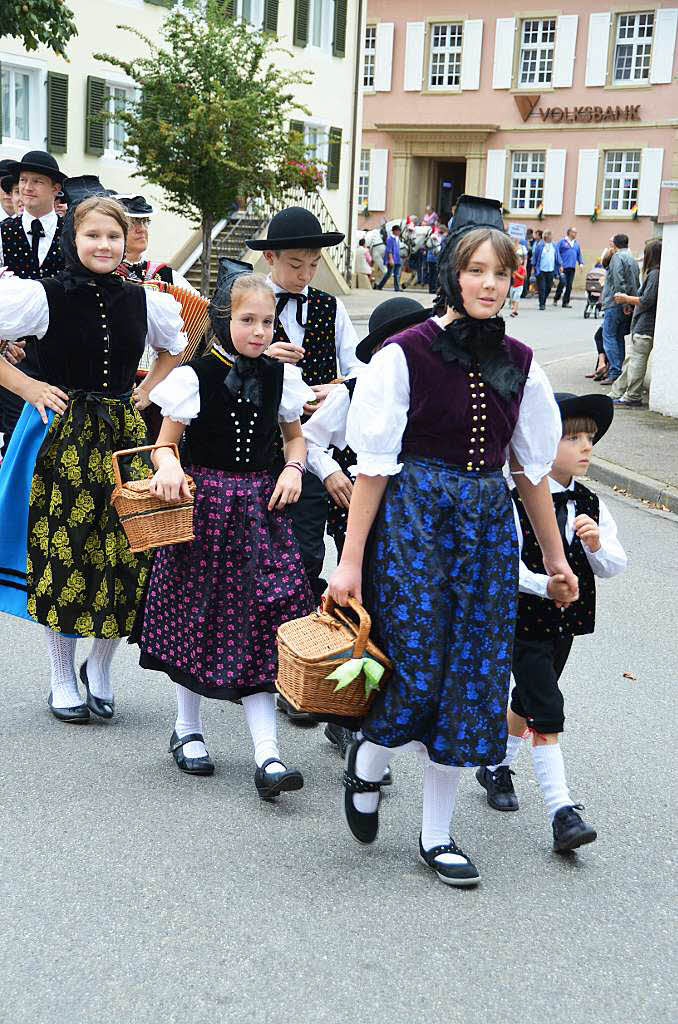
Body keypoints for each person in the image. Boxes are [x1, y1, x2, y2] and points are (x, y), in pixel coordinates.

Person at [329, 195, 576, 887]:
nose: (489, 284)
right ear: (452, 275)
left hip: (486, 527)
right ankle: (369, 763)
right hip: (414, 519)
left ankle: (437, 836)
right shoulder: (404, 355)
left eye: (501, 273)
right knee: (412, 661)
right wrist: (349, 566)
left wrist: (554, 559)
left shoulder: (524, 364)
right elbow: (373, 470)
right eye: (476, 270)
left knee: (471, 676)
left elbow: (530, 475)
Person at [0, 192, 186, 723]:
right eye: (93, 235)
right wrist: (29, 386)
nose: (104, 244)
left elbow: (178, 346)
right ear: (73, 238)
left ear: (126, 240)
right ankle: (62, 674)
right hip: (65, 437)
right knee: (69, 552)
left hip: (125, 440)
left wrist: (147, 389)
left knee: (135, 552)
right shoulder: (42, 295)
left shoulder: (145, 299)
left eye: (113, 235)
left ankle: (99, 669)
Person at [135, 261, 313, 799]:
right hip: (205, 506)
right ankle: (187, 729)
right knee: (198, 613)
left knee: (265, 618)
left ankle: (268, 754)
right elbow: (165, 443)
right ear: (223, 320)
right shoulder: (195, 377)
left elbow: (295, 439)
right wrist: (167, 466)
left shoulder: (282, 378)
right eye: (247, 320)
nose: (259, 332)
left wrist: (292, 467)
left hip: (261, 510)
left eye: (267, 322)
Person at [477, 393, 626, 852]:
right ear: (541, 442)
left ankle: (496, 765)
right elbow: (504, 565)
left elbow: (615, 566)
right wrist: (547, 585)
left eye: (590, 438)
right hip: (523, 621)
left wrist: (597, 544)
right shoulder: (513, 499)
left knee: (527, 700)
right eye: (572, 438)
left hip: (566, 625)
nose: (586, 447)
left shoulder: (590, 503)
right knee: (548, 706)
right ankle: (562, 812)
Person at [302, 295, 431, 767]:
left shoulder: (435, 387)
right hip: (358, 512)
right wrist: (332, 471)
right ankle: (345, 716)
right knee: (360, 612)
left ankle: (391, 717)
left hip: (416, 522)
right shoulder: (352, 390)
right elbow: (311, 441)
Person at [247, 206, 360, 722]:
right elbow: (219, 364)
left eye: (313, 263)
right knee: (256, 560)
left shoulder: (330, 310)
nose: (306, 273)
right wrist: (263, 357)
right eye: (296, 263)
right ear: (270, 258)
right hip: (258, 447)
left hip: (313, 447)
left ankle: (300, 665)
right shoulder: (252, 304)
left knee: (304, 556)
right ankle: (257, 660)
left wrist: (330, 389)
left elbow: (356, 369)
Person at [0, 151, 66, 456]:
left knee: (59, 435)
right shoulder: (2, 232)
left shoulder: (74, 235)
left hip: (63, 351)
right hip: (16, 355)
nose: (27, 187)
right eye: (23, 180)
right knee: (18, 437)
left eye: (37, 181)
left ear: (55, 189)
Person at [609, 239, 661, 407]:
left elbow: (647, 300)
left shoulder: (655, 274)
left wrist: (626, 299)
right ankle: (617, 392)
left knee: (636, 361)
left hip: (645, 325)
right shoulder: (654, 273)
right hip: (641, 324)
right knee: (631, 361)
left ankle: (632, 396)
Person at [115, 194, 197, 292]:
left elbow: (199, 304)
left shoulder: (166, 274)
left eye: (144, 221)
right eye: (132, 223)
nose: (141, 229)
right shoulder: (106, 273)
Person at [599, 234, 640, 385]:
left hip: (616, 303)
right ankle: (618, 370)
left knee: (609, 336)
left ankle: (615, 371)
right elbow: (636, 281)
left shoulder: (617, 257)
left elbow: (618, 281)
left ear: (615, 245)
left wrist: (624, 302)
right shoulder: (632, 258)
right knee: (618, 337)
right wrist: (630, 303)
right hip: (628, 302)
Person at [554, 227, 584, 307]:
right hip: (563, 267)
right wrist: (560, 264)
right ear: (569, 232)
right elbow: (557, 253)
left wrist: (581, 264)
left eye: (576, 232)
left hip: (572, 267)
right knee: (562, 282)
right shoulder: (562, 242)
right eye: (574, 232)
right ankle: (556, 298)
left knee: (569, 285)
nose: (575, 234)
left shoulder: (576, 243)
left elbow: (579, 254)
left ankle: (565, 302)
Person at [533, 230, 562, 310]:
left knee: (548, 287)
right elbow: (535, 258)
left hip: (551, 270)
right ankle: (542, 304)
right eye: (549, 235)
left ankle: (543, 299)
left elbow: (557, 257)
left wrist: (560, 265)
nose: (551, 237)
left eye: (551, 235)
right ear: (545, 237)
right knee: (542, 287)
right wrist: (534, 269)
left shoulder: (554, 246)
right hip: (541, 270)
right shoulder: (540, 246)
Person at [376, 224, 402, 292]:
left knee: (397, 274)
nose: (399, 232)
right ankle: (380, 285)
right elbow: (389, 250)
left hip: (397, 259)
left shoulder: (397, 239)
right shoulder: (390, 239)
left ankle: (397, 288)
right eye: (398, 231)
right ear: (395, 231)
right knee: (389, 274)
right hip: (392, 259)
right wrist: (390, 259)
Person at [509, 249, 526, 317]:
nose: (518, 261)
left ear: (522, 261)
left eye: (520, 260)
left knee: (517, 297)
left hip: (519, 286)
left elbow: (523, 278)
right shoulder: (513, 268)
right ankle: (513, 306)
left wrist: (516, 274)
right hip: (513, 286)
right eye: (517, 260)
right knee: (512, 298)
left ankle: (514, 311)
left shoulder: (522, 269)